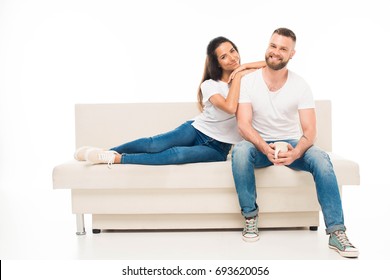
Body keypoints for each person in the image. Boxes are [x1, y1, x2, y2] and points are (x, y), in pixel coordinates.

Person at [231, 28, 359, 258]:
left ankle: (337, 233)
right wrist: (264, 147)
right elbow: (243, 125)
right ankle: (250, 217)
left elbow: (310, 132)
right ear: (267, 47)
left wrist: (296, 152)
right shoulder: (249, 82)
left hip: (290, 143)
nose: (276, 52)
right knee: (240, 151)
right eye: (273, 46)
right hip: (259, 145)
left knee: (320, 157)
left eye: (283, 49)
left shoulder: (300, 85)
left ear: (292, 54)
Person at [74, 36, 265, 166]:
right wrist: (239, 76)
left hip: (218, 149)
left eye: (233, 51)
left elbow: (271, 64)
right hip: (196, 131)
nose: (232, 58)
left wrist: (243, 68)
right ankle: (106, 152)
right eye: (224, 56)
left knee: (177, 155)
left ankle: (117, 159)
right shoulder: (210, 85)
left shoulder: (245, 78)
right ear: (217, 63)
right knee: (153, 145)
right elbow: (230, 107)